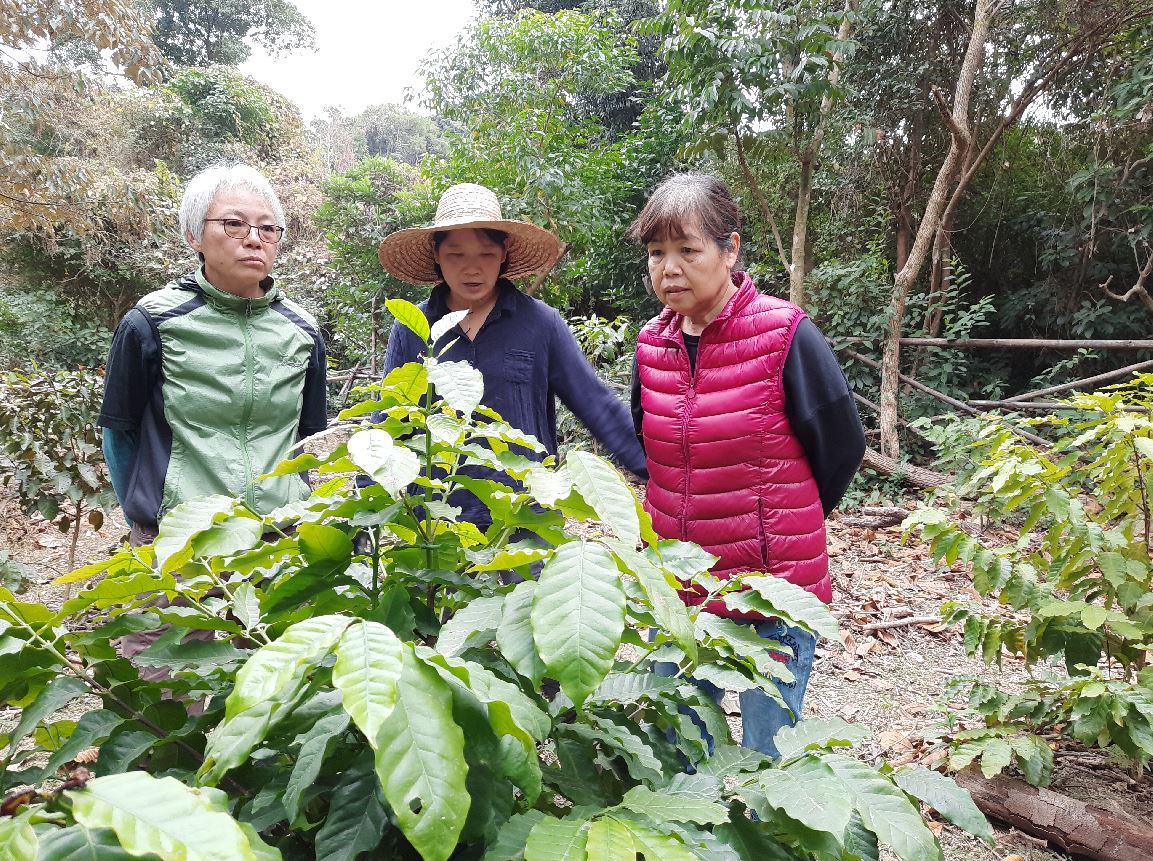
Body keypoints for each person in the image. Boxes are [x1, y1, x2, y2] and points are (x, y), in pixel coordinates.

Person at [629, 172, 865, 758]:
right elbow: (652, 452)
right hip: (684, 593)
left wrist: (783, 521)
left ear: (730, 250)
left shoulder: (786, 335)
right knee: (683, 754)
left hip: (772, 596)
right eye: (657, 253)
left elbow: (842, 447)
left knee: (768, 762)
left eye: (688, 250)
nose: (669, 268)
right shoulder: (650, 347)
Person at [98, 164, 327, 684]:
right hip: (180, 538)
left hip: (276, 534)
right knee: (166, 678)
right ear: (193, 235)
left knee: (275, 680)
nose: (254, 239)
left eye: (268, 228)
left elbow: (308, 436)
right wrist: (150, 513)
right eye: (233, 224)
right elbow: (119, 432)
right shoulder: (152, 322)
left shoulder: (302, 329)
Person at [375, 182, 647, 530]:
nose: (472, 268)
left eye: (486, 254)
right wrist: (370, 507)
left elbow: (595, 404)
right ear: (436, 257)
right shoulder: (412, 328)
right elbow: (389, 422)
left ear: (503, 254)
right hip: (436, 525)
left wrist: (657, 472)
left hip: (525, 522)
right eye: (456, 254)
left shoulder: (540, 324)